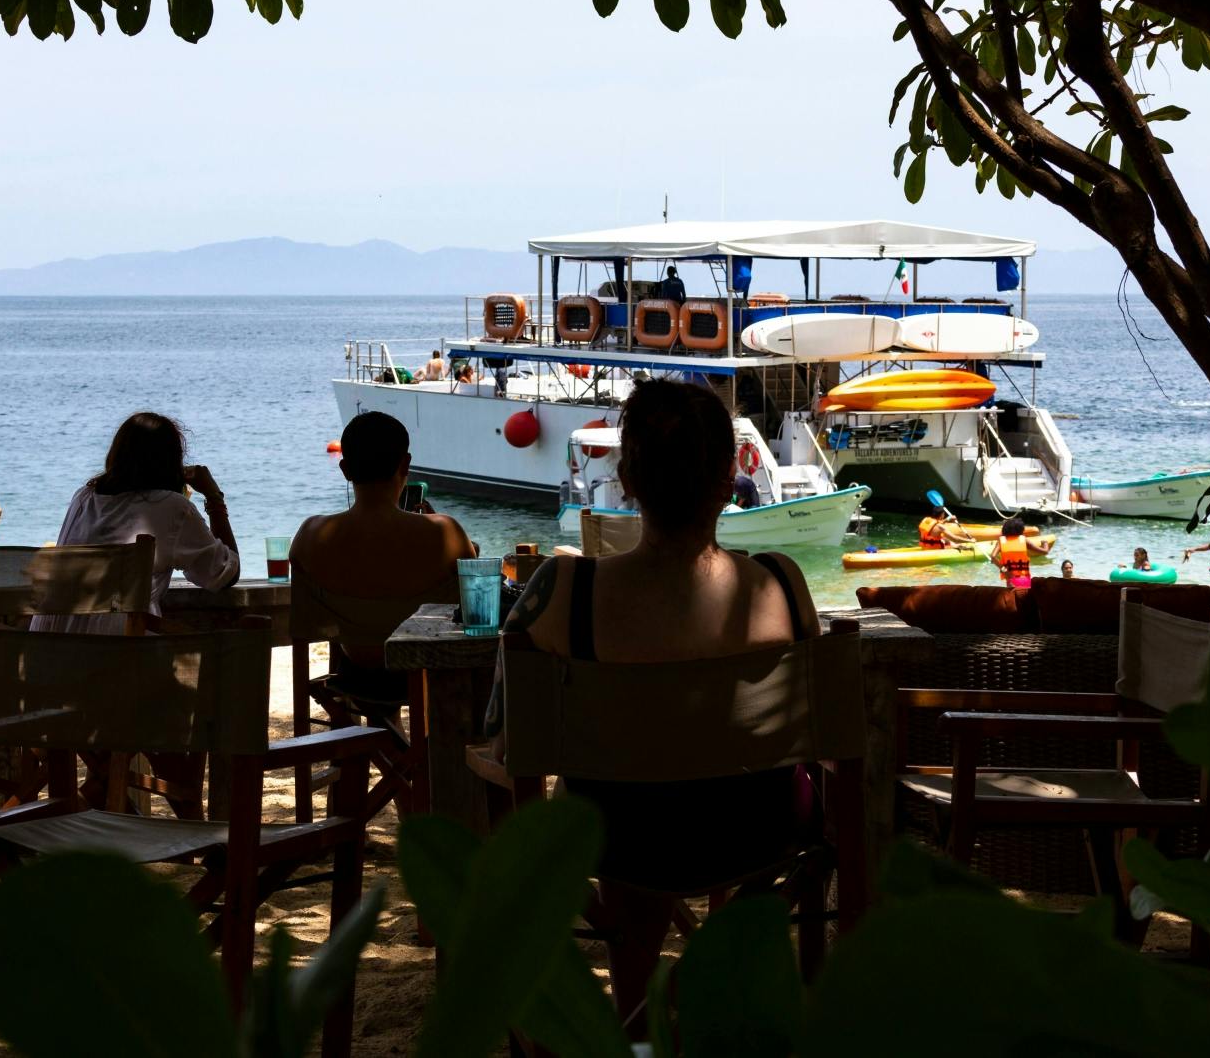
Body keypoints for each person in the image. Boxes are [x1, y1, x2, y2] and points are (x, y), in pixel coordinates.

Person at [487, 379, 821, 1019]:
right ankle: (734, 999)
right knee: (678, 790)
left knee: (626, 797)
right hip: (761, 837)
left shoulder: (566, 591)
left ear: (628, 479)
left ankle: (634, 1019)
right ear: (729, 479)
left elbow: (509, 743)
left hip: (622, 842)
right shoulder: (782, 584)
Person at [32, 411, 240, 634]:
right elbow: (224, 573)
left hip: (48, 650)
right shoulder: (172, 507)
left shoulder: (83, 497)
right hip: (121, 654)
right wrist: (214, 497)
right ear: (171, 462)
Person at [290, 410, 478, 605]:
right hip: (425, 634)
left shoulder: (310, 535)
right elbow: (474, 593)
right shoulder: (446, 532)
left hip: (351, 637)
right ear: (405, 465)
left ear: (345, 470)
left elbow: (304, 630)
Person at [992, 518, 1032, 589]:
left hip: (1010, 578)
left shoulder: (1001, 541)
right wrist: (1045, 543)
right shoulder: (1023, 539)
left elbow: (993, 556)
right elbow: (1044, 551)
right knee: (1025, 596)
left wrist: (1004, 570)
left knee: (1013, 597)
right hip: (1024, 577)